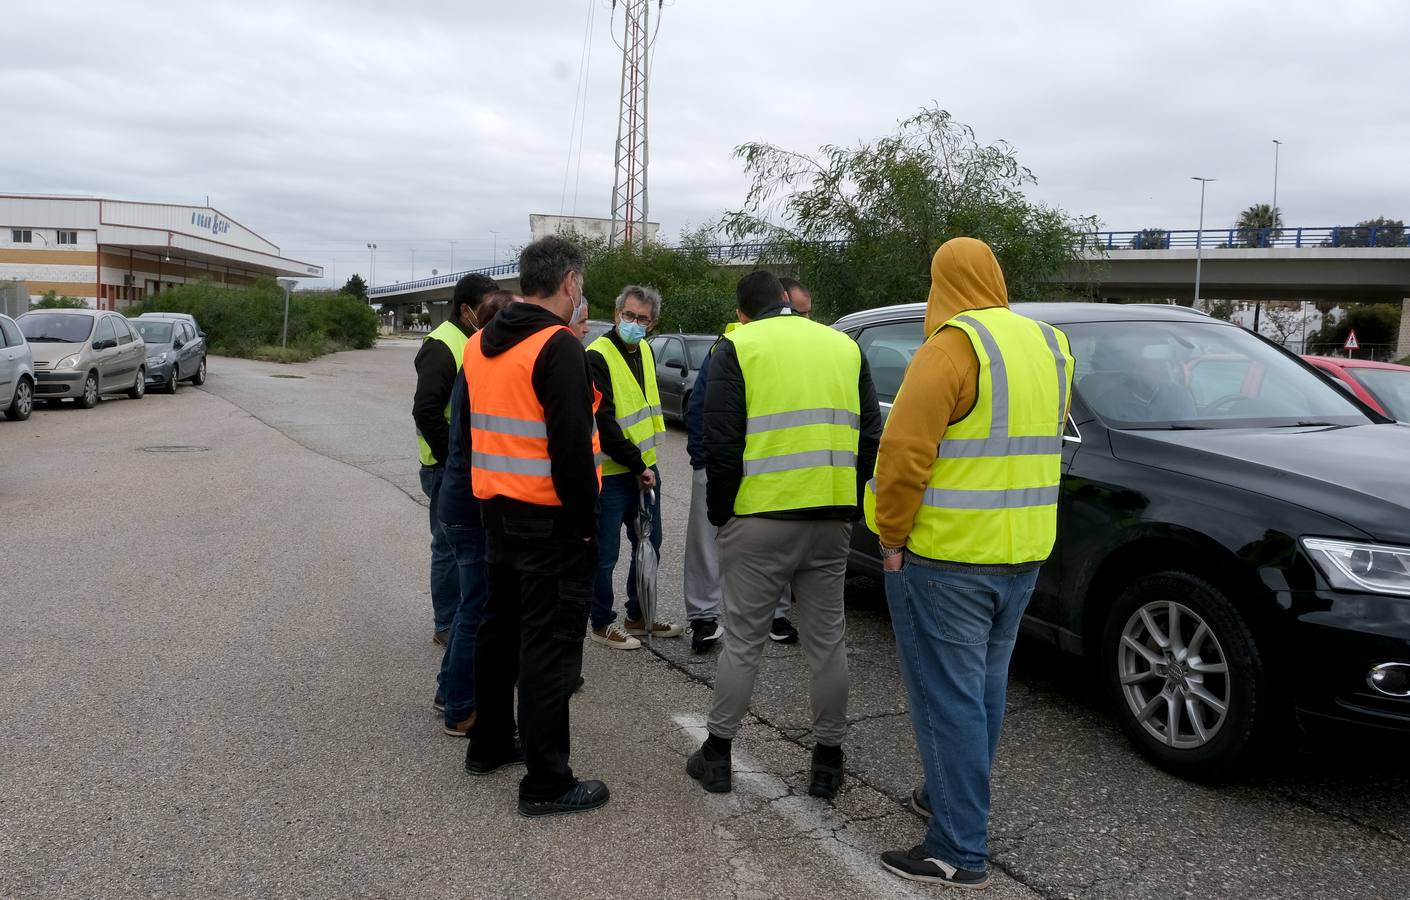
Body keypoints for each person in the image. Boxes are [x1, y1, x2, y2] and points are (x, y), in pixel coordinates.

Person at [868, 238, 1072, 888]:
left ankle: (956, 848)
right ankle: (948, 798)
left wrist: (891, 537)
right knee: (982, 690)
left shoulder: (950, 348)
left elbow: (903, 456)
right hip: (1024, 553)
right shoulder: (1050, 344)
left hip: (949, 556)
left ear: (942, 282)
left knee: (947, 696)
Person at [687, 270, 882, 800]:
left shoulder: (738, 346)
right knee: (827, 641)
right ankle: (827, 761)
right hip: (831, 517)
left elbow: (720, 440)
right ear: (787, 303)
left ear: (744, 311)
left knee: (744, 641)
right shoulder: (843, 346)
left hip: (759, 520)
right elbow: (870, 435)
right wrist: (853, 497)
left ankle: (719, 755)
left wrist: (723, 513)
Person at [463, 236, 609, 818]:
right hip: (549, 521)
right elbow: (572, 453)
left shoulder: (479, 344)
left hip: (495, 511)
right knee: (547, 649)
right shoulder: (558, 348)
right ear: (570, 283)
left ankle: (490, 743)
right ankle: (547, 781)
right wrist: (584, 527)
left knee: (497, 636)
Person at [683, 320, 800, 652]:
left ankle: (775, 615)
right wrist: (702, 461)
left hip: (768, 461)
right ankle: (704, 619)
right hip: (722, 460)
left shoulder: (788, 349)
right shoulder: (727, 347)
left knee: (774, 541)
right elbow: (700, 405)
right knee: (709, 540)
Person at [435, 292, 517, 737]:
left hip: (459, 502)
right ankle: (460, 710)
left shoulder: (474, 363)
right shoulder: (485, 368)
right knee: (477, 610)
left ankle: (448, 691)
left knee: (472, 605)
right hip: (471, 507)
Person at [586, 285, 681, 650]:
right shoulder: (597, 355)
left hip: (643, 469)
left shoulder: (643, 349)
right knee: (604, 553)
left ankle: (639, 613)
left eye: (642, 318)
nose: (634, 323)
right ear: (616, 315)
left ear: (653, 323)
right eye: (629, 315)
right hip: (612, 472)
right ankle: (601, 621)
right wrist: (639, 464)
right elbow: (605, 424)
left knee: (649, 544)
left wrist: (645, 465)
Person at [413, 273, 500, 646]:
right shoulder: (443, 344)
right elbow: (426, 411)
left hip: (465, 466)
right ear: (467, 310)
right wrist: (452, 461)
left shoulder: (472, 341)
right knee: (447, 548)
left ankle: (462, 618)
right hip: (444, 467)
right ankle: (446, 623)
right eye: (486, 308)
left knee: (465, 549)